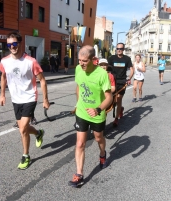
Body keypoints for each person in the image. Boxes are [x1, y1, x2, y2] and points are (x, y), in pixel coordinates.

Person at [0, 32, 50, 170]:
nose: (12, 47)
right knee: (24, 129)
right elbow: (3, 77)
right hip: (16, 99)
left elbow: (42, 80)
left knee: (22, 129)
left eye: (14, 44)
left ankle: (25, 156)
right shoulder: (4, 61)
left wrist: (45, 99)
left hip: (29, 97)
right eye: (9, 45)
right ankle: (39, 133)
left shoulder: (30, 61)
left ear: (20, 43)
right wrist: (2, 94)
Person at [68, 45, 113, 188]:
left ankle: (102, 153)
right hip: (82, 112)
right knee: (80, 143)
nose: (81, 63)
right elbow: (79, 87)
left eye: (84, 61)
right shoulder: (77, 69)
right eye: (79, 60)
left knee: (99, 137)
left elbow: (109, 98)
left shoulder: (101, 74)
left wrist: (98, 109)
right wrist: (77, 104)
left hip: (97, 113)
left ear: (93, 59)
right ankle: (79, 174)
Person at [108, 43, 134, 127]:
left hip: (122, 82)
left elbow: (131, 69)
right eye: (118, 48)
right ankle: (121, 108)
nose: (119, 50)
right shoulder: (112, 58)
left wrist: (129, 78)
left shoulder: (127, 59)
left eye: (121, 49)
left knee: (118, 99)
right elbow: (106, 69)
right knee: (113, 100)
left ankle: (116, 119)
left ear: (123, 50)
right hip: (112, 82)